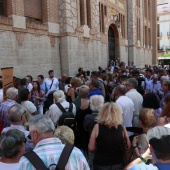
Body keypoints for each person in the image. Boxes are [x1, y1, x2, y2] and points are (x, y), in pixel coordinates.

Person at [17, 114, 90, 170]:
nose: (31, 140)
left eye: (30, 136)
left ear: (35, 134)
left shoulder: (26, 161)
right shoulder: (76, 153)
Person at [88, 102, 131, 170]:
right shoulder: (122, 128)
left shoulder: (97, 127)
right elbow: (128, 146)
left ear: (102, 113)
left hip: (101, 163)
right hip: (117, 162)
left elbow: (91, 147)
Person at [74, 85, 92, 154]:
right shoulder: (90, 102)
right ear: (88, 93)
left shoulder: (76, 101)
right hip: (87, 124)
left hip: (78, 123)